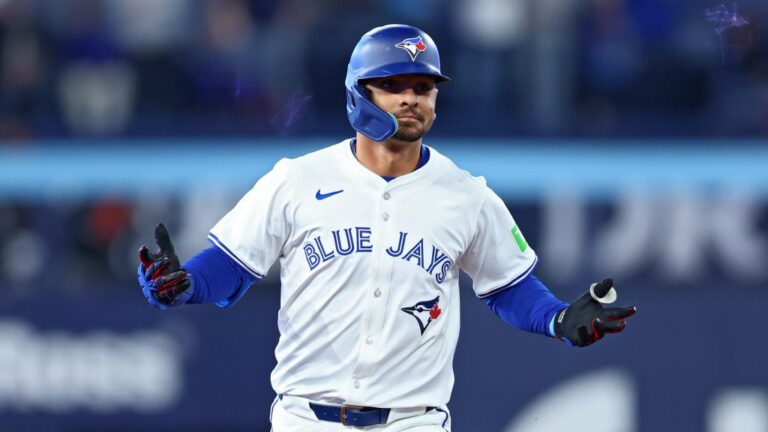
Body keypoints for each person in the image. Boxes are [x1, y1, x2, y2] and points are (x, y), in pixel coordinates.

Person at [137, 24, 637, 431]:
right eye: (393, 85)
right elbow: (229, 265)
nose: (411, 99)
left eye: (422, 88)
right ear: (360, 93)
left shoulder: (466, 194)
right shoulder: (298, 179)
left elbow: (510, 286)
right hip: (305, 418)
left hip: (412, 422)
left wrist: (557, 319)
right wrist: (182, 286)